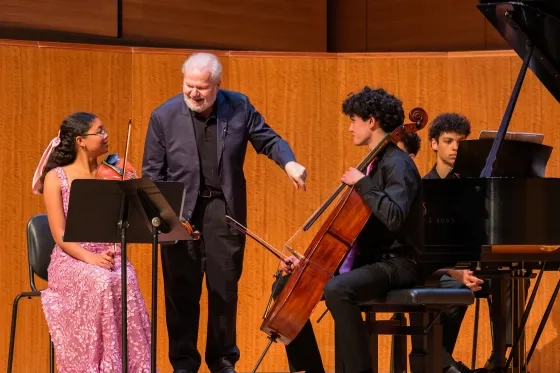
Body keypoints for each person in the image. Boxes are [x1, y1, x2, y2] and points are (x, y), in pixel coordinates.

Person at [141, 52, 307, 373]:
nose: (194, 93)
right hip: (179, 212)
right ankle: (184, 364)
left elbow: (268, 139)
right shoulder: (163, 116)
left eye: (202, 87)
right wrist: (168, 217)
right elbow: (152, 173)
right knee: (181, 292)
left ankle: (222, 361)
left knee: (224, 289)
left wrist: (289, 162)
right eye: (189, 85)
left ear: (217, 84)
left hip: (223, 211)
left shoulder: (239, 106)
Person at [275, 86, 423, 373]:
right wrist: (310, 263)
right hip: (369, 260)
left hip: (398, 262)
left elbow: (394, 218)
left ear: (371, 121)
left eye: (353, 119)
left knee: (338, 289)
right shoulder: (373, 164)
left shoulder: (398, 165)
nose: (349, 127)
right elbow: (352, 232)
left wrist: (362, 184)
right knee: (286, 286)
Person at [31, 112, 155, 372]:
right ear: (81, 141)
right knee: (100, 281)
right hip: (71, 258)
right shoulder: (57, 177)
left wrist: (113, 247)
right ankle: (98, 366)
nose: (105, 135)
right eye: (99, 131)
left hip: (108, 254)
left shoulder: (111, 172)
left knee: (126, 279)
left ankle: (132, 367)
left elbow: (123, 222)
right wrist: (91, 259)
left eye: (105, 130)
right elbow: (61, 233)